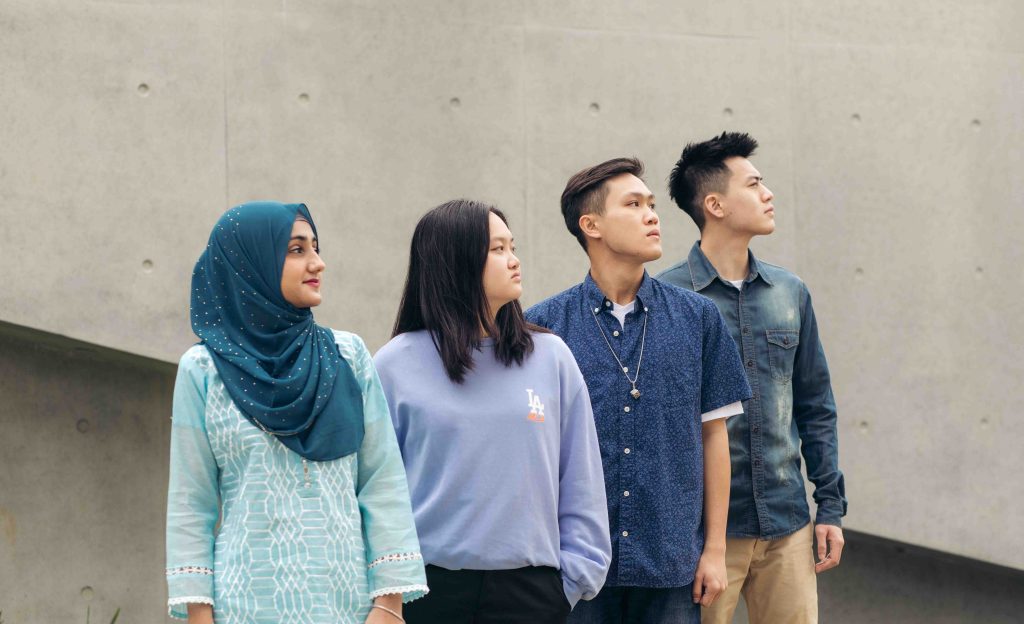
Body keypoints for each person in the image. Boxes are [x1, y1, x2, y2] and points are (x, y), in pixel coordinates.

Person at [165, 201, 428, 624]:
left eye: (316, 248)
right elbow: (191, 503)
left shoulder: (347, 355)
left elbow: (382, 482)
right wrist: (199, 615)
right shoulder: (203, 370)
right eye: (296, 250)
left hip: (349, 608)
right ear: (250, 264)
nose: (318, 263)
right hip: (244, 607)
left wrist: (389, 605)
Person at [526, 159, 752, 624]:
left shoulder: (698, 318)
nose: (652, 215)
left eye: (651, 204)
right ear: (591, 225)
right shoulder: (543, 327)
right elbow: (531, 452)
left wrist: (714, 550)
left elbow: (715, 438)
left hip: (673, 564)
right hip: (575, 566)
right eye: (633, 205)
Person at [374, 199, 611, 624]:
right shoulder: (394, 364)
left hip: (533, 594)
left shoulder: (551, 357)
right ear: (456, 261)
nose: (514, 260)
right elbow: (375, 490)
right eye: (497, 249)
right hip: (425, 592)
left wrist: (572, 582)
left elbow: (581, 477)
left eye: (512, 247)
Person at [657, 132, 847, 624]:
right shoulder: (666, 299)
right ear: (715, 205)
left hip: (788, 524)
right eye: (754, 184)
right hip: (705, 539)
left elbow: (815, 405)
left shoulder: (790, 292)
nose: (768, 193)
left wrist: (829, 507)